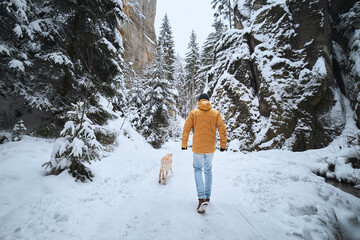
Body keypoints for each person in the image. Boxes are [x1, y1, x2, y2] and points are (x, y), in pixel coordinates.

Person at [181, 93, 227, 213]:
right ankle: (207, 197)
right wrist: (223, 145)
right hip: (210, 147)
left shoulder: (194, 113)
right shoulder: (216, 113)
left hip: (198, 148)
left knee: (197, 170)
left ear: (199, 101)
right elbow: (222, 129)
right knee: (208, 171)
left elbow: (186, 129)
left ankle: (201, 198)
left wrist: (184, 144)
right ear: (208, 100)